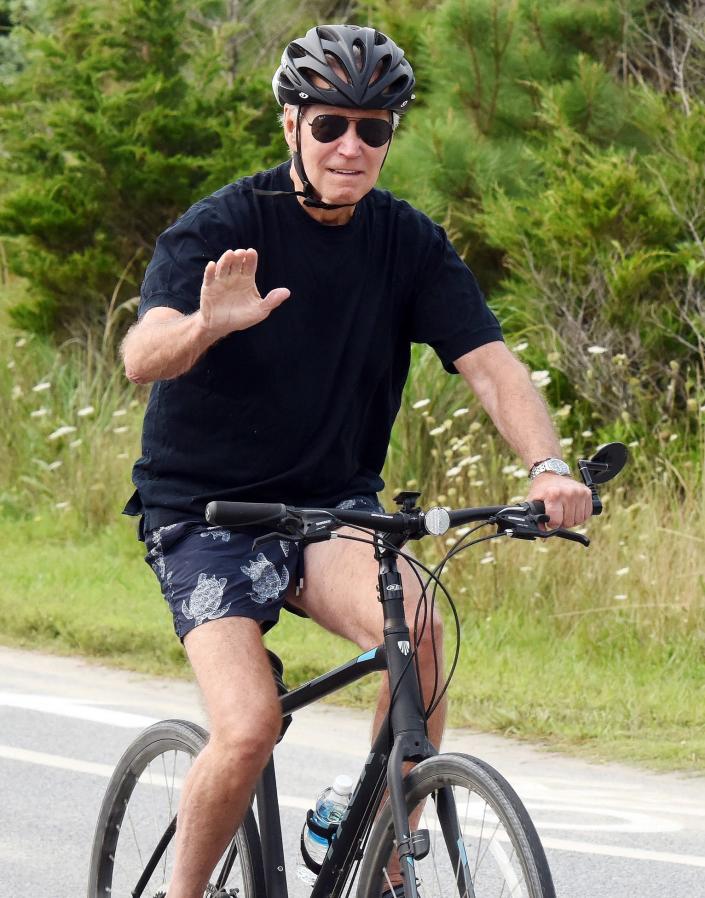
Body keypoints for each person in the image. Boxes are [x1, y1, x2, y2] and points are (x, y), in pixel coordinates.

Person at [121, 23, 592, 898]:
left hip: (332, 507)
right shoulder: (224, 226)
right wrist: (205, 325)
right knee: (250, 726)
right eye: (332, 123)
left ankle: (380, 845)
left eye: (374, 129)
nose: (351, 146)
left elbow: (490, 366)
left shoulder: (406, 242)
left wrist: (546, 468)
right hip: (207, 516)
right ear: (292, 125)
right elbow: (140, 356)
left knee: (419, 632)